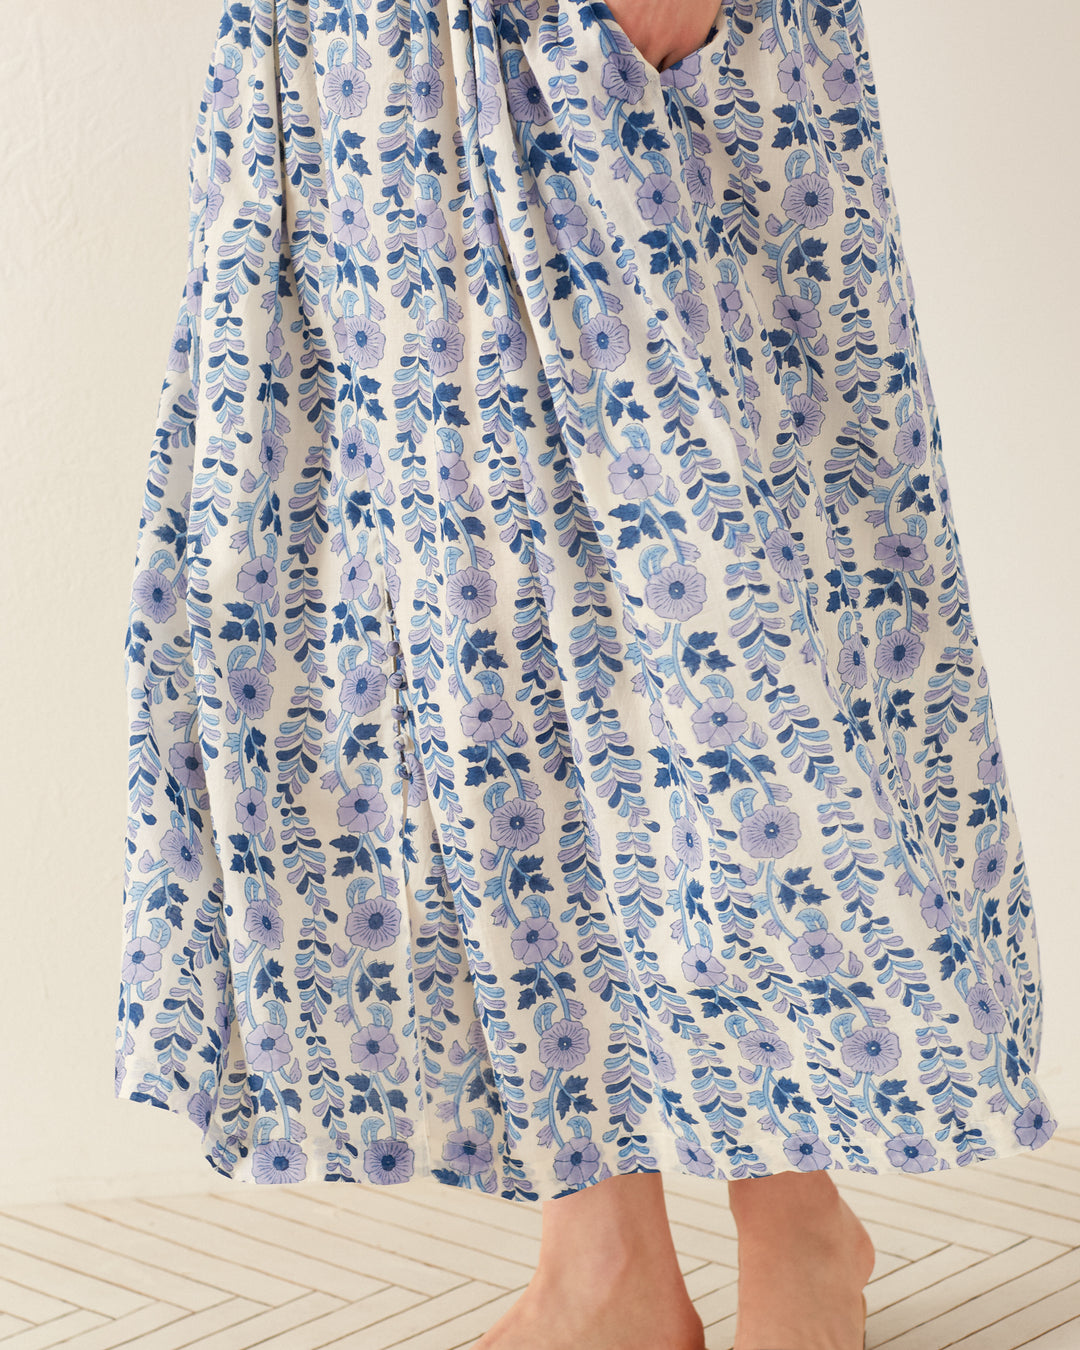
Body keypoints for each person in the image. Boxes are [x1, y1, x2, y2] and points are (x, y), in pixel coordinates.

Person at [115, 1, 1057, 1347]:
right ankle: (604, 1256)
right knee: (471, 644)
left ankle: (795, 1219)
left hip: (605, 26)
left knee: (721, 635)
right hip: (357, 57)